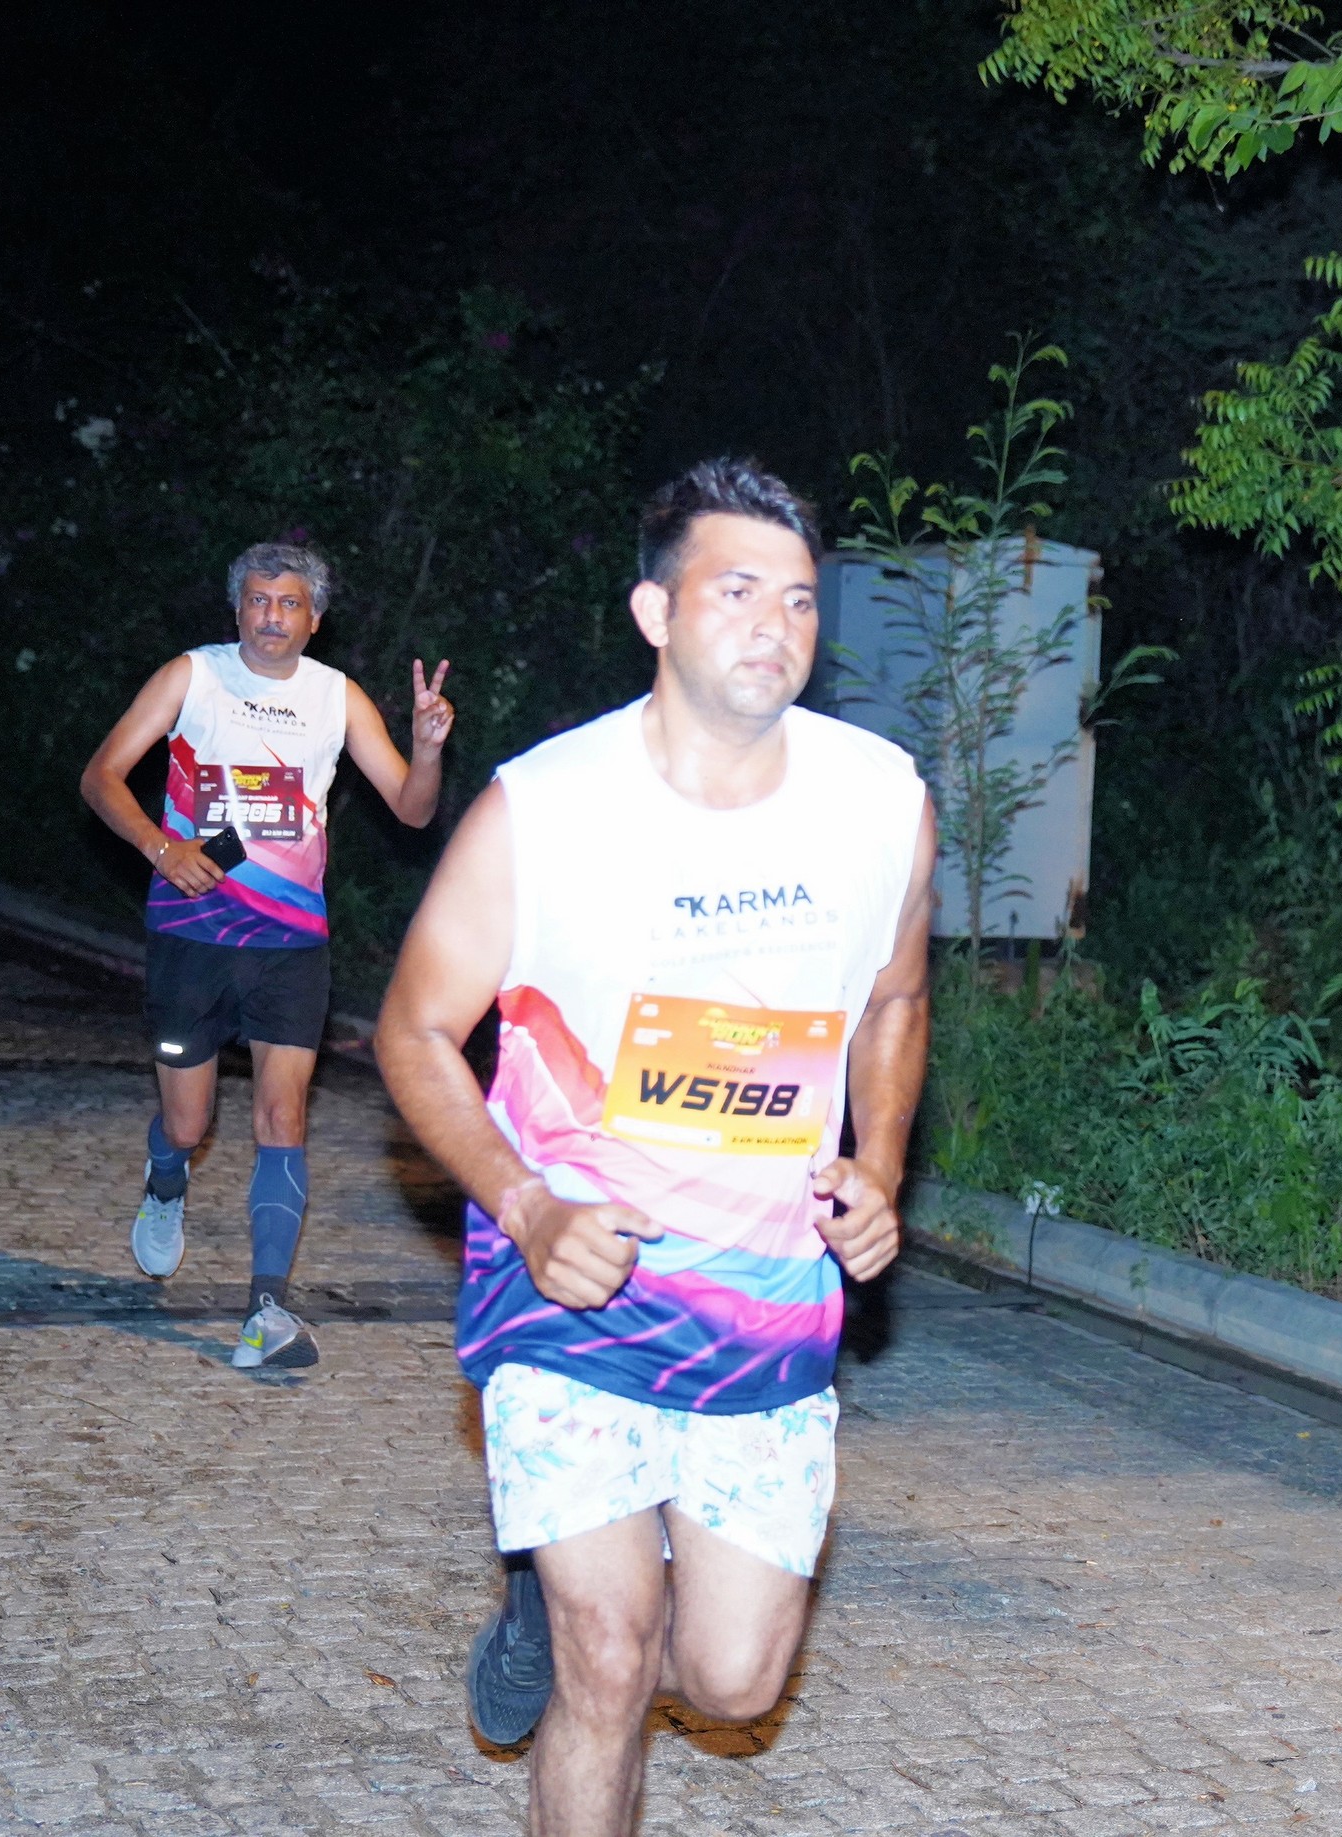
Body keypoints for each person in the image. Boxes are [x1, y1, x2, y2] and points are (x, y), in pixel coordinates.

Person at [376, 457, 932, 1834]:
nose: (774, 625)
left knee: (733, 1680)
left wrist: (880, 1166)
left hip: (765, 1299)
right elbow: (413, 1029)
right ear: (653, 612)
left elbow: (895, 1002)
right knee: (610, 1657)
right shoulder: (546, 807)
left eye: (797, 599)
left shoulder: (880, 799)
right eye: (735, 591)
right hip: (575, 1289)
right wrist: (524, 1205)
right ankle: (570, 1617)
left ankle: (547, 1611)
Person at [80, 542, 454, 1369]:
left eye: (289, 604)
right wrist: (159, 845)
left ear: (314, 619)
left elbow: (411, 808)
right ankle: (166, 1176)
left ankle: (267, 1310)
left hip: (290, 941)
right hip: (191, 931)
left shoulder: (336, 696)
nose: (271, 616)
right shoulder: (193, 676)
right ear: (238, 608)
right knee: (189, 1121)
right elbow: (101, 775)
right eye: (258, 600)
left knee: (282, 1117)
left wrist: (427, 750)